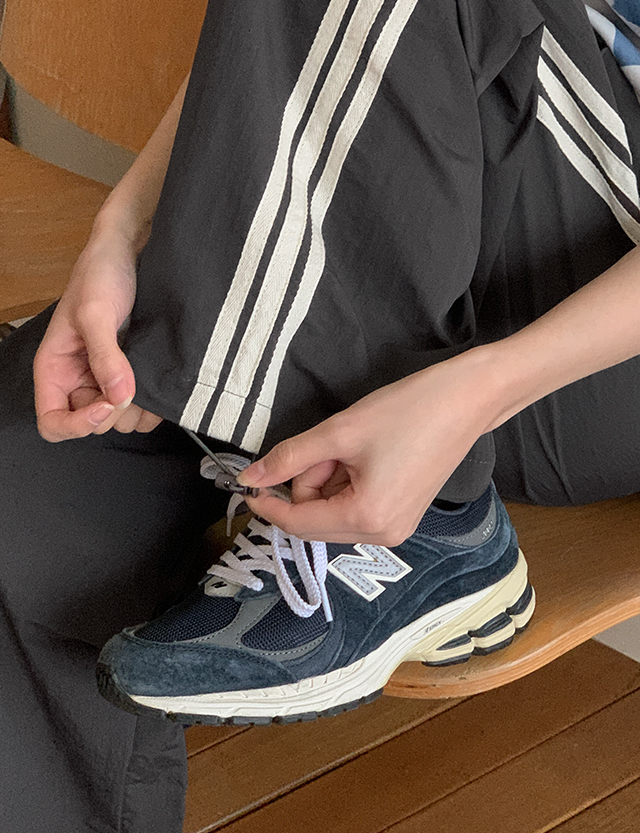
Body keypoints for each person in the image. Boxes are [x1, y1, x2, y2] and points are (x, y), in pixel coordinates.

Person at [2, 0, 640, 830]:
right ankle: (238, 377)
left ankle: (437, 525)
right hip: (416, 250)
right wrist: (127, 230)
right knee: (25, 473)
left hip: (589, 356)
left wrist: (477, 393)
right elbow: (282, 40)